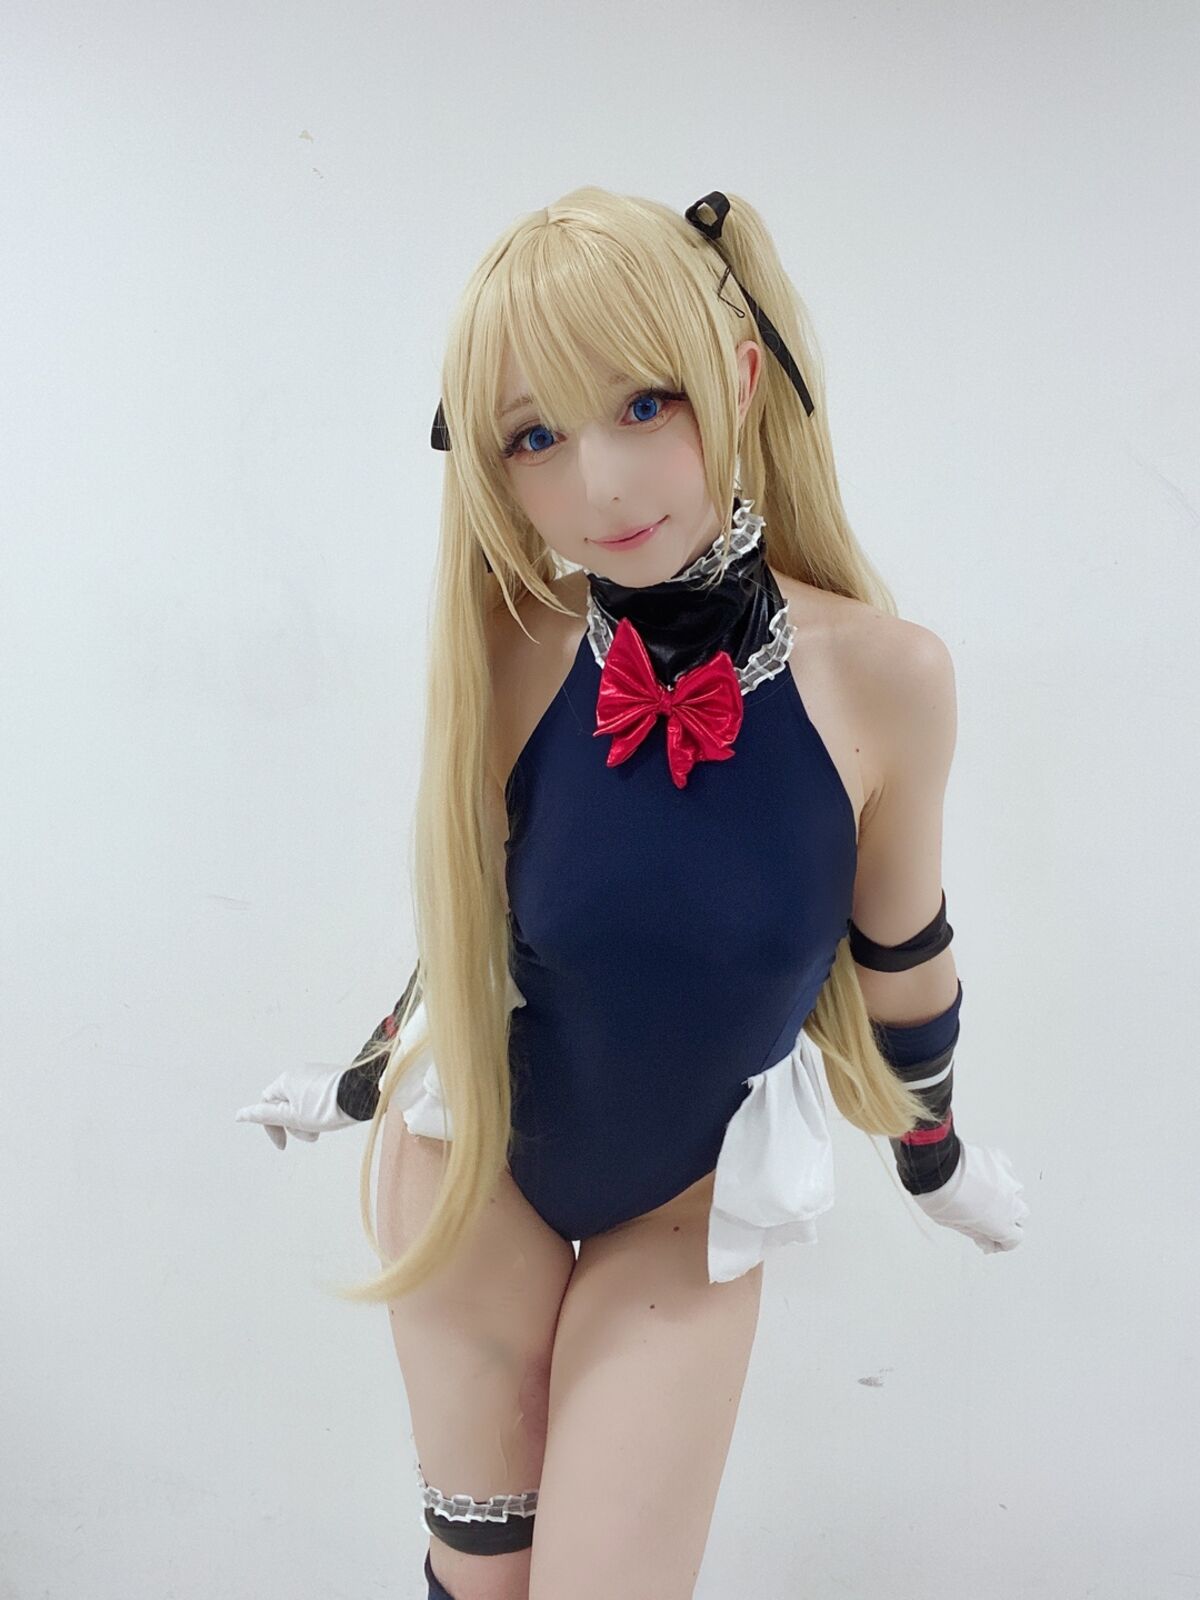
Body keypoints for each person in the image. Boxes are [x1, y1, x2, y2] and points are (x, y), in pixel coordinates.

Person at [236, 186, 1029, 1600]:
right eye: (533, 437)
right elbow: (469, 924)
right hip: (473, 1161)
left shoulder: (888, 679)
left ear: (738, 379)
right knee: (483, 1579)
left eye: (643, 405)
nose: (599, 484)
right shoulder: (512, 648)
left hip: (687, 1202)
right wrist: (364, 1079)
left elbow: (903, 958)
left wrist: (937, 1154)